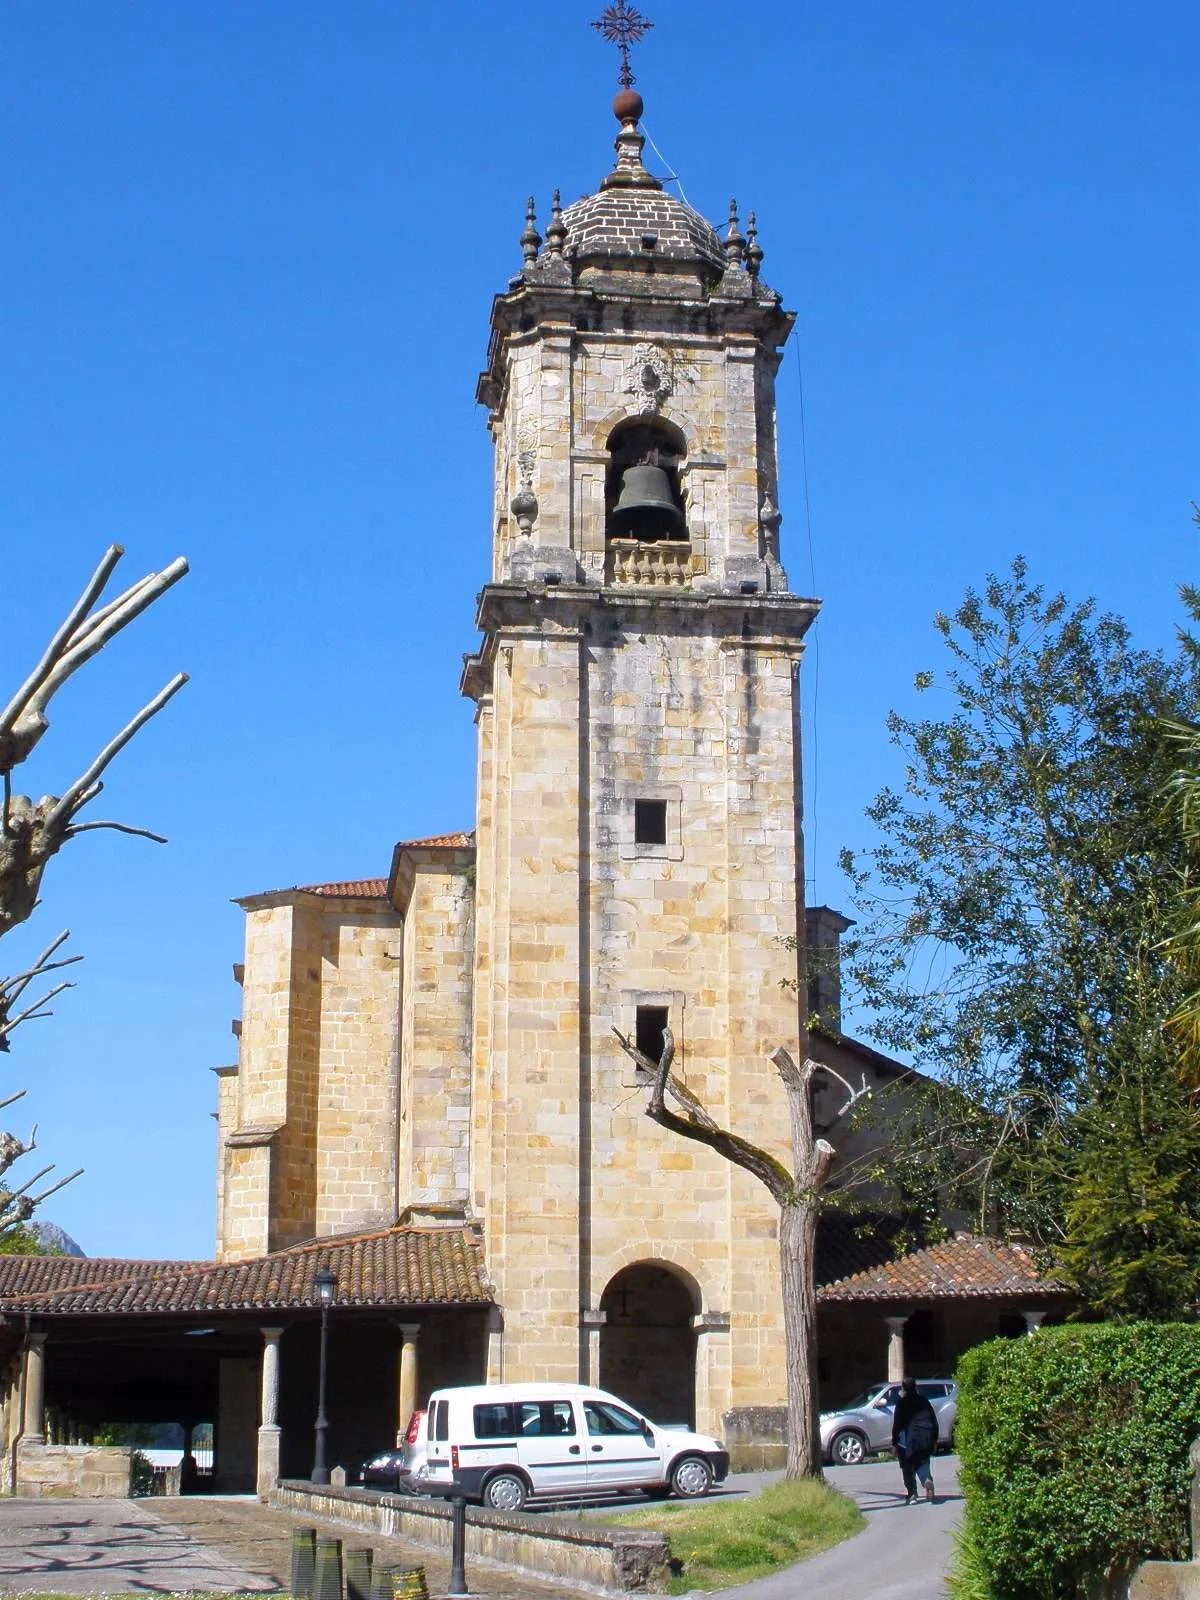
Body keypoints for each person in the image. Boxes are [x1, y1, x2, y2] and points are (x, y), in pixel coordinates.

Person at [891, 1377, 938, 1503]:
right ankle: (926, 1479)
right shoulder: (924, 1400)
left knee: (907, 1466)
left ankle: (912, 1494)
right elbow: (933, 1420)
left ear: (903, 1389)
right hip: (926, 1437)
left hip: (909, 1438)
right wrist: (934, 1440)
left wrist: (894, 1443)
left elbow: (897, 1424)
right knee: (923, 1461)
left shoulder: (902, 1402)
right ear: (915, 1387)